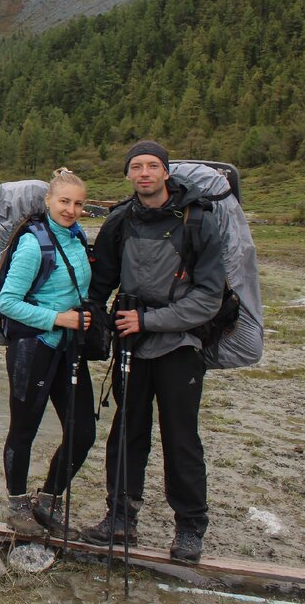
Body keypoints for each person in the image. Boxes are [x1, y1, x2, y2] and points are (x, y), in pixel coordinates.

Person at [80, 140, 225, 564]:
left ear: (166, 172)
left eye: (152, 166)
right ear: (128, 175)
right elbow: (100, 282)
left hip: (180, 344)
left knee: (181, 438)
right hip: (130, 343)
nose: (144, 173)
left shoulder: (198, 222)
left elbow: (209, 297)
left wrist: (150, 321)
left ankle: (190, 529)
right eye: (136, 167)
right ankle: (120, 518)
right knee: (127, 431)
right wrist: (89, 321)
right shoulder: (119, 221)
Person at [0, 168, 96, 538]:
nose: (70, 209)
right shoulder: (32, 244)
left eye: (77, 203)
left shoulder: (77, 238)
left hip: (69, 349)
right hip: (33, 349)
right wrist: (59, 318)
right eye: (64, 202)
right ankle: (18, 505)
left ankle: (48, 500)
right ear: (48, 202)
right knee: (24, 429)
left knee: (83, 431)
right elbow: (9, 303)